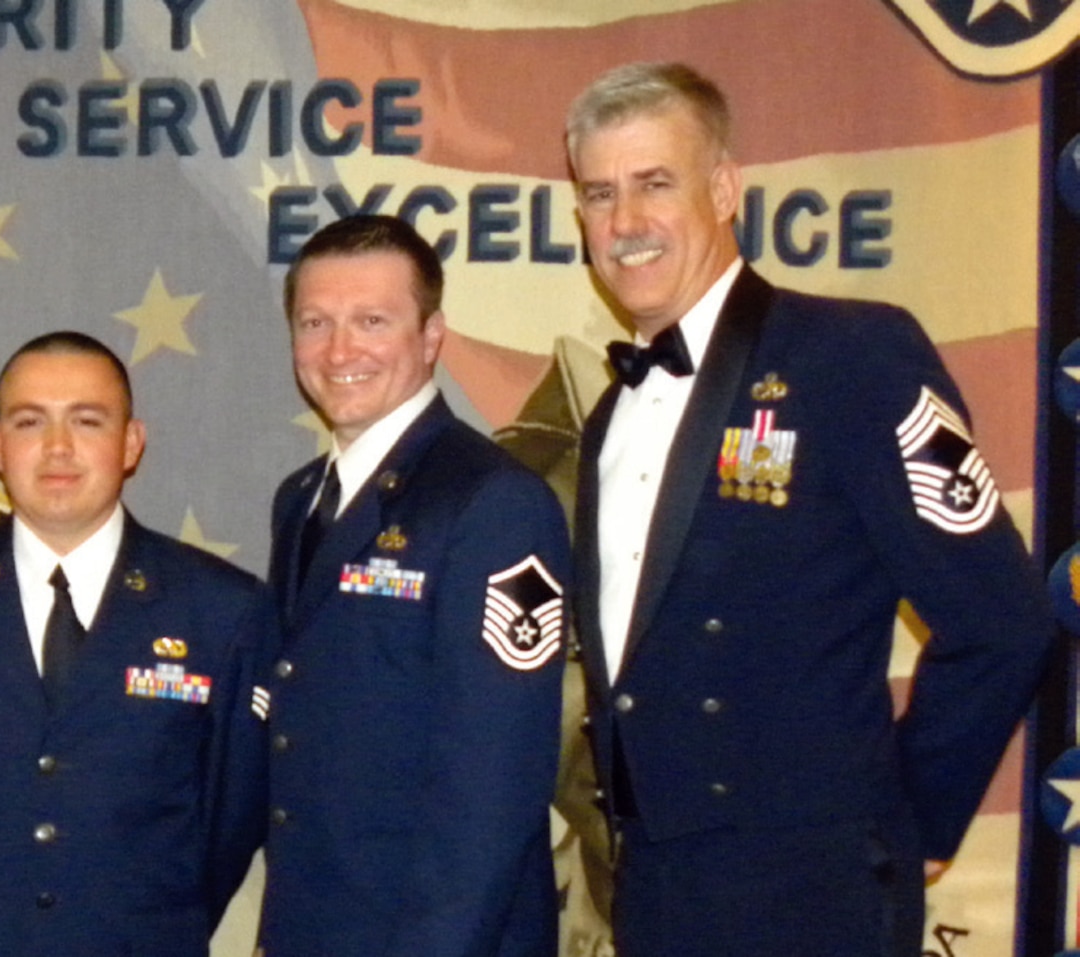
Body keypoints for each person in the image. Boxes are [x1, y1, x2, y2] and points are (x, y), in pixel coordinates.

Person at [565, 61, 1053, 955]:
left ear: (723, 190)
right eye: (600, 193)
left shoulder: (851, 356)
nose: (625, 221)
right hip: (656, 888)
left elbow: (1002, 616)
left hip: (813, 891)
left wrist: (911, 822)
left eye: (655, 183)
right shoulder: (609, 416)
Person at [0, 331, 275, 956]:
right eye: (30, 421)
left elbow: (231, 816)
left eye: (87, 421)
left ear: (131, 443)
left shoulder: (220, 607)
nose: (58, 447)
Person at [258, 214, 569, 957]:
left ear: (431, 337)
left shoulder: (495, 502)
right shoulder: (300, 499)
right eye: (315, 322)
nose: (340, 351)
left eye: (372, 321)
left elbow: (496, 783)